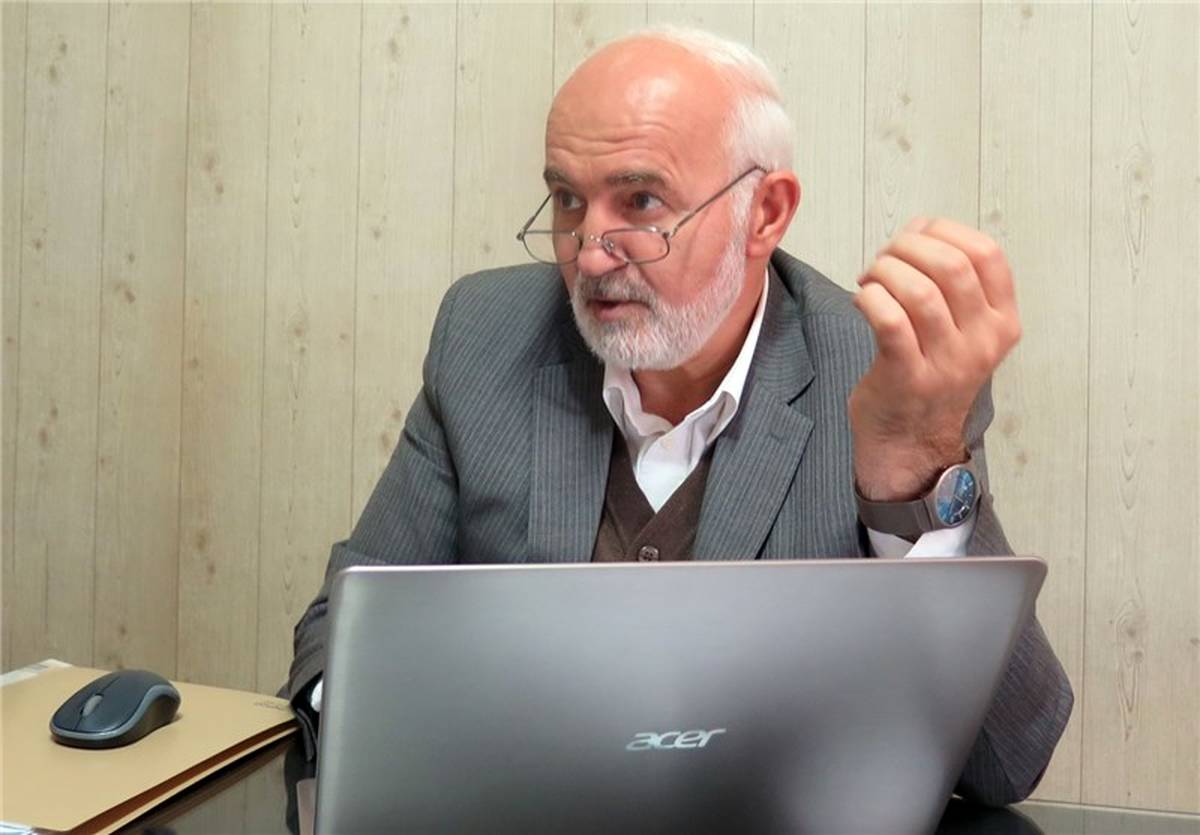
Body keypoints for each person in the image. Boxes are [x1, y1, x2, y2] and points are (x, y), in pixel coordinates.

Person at [284, 26, 1072, 806]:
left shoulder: (885, 373)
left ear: (765, 213)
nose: (591, 251)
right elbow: (339, 634)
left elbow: (1006, 762)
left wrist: (908, 471)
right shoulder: (485, 337)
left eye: (640, 200)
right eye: (567, 199)